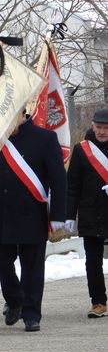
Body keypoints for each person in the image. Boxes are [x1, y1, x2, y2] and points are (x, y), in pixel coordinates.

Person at [0, 111, 67, 332]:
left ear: (22, 114)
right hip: (1, 213)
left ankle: (31, 314)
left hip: (32, 213)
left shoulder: (45, 138)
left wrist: (58, 214)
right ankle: (15, 299)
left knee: (32, 266)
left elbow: (58, 179)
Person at [66, 108, 108, 318]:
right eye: (98, 127)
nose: (102, 132)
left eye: (106, 128)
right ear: (92, 127)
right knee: (93, 261)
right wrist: (68, 215)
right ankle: (98, 302)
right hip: (91, 212)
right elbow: (73, 185)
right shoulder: (82, 150)